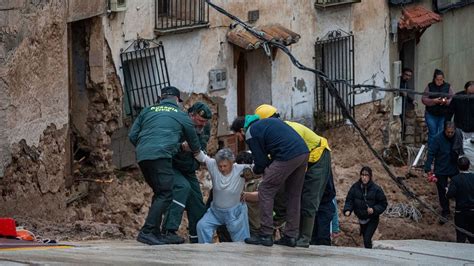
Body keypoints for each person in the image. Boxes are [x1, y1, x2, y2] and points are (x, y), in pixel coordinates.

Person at [128, 86, 201, 245]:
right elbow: (194, 141)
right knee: (166, 193)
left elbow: (132, 135)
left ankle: (155, 232)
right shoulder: (181, 115)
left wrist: (145, 147)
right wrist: (197, 154)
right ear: (177, 100)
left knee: (160, 192)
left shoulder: (147, 110)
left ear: (160, 97)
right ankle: (147, 231)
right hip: (161, 156)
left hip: (143, 156)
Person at [255, 104, 335, 248]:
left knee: (309, 197)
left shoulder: (290, 129)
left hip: (318, 157)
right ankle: (289, 231)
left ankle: (304, 238)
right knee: (286, 192)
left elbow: (295, 153)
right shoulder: (275, 133)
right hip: (302, 160)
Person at [231, 115, 309, 247]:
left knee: (265, 189)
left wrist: (252, 173)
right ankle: (291, 236)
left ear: (241, 130)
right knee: (293, 195)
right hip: (303, 152)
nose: (239, 139)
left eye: (237, 135)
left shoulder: (251, 132)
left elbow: (261, 163)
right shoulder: (265, 124)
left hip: (287, 154)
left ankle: (265, 235)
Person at [162, 102, 212, 243]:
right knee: (182, 188)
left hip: (190, 168)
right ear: (191, 115)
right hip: (173, 165)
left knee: (197, 204)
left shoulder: (205, 127)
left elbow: (203, 145)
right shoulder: (178, 123)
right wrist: (181, 147)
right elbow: (168, 146)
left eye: (205, 121)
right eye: (200, 120)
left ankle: (197, 241)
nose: (202, 124)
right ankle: (168, 230)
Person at [195, 148, 251, 243]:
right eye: (220, 166)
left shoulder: (242, 169)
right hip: (215, 212)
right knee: (202, 226)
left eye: (225, 166)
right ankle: (204, 253)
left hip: (235, 213)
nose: (222, 169)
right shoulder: (213, 165)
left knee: (241, 242)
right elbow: (201, 156)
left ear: (232, 163)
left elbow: (260, 169)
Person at [343, 166, 387, 249]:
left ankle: (370, 256)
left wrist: (374, 209)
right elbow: (350, 200)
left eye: (366, 175)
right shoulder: (355, 187)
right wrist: (348, 209)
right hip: (361, 218)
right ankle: (369, 253)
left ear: (370, 177)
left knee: (367, 238)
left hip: (372, 218)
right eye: (362, 175)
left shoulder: (376, 189)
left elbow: (383, 203)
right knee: (365, 240)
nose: (364, 177)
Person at [424, 121, 460, 223]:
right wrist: (428, 168)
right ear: (444, 130)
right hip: (441, 169)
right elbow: (431, 153)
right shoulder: (437, 139)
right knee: (442, 191)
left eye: (452, 132)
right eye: (448, 132)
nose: (450, 134)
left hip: (454, 167)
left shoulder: (458, 137)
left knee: (458, 189)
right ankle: (445, 210)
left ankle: (458, 209)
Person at [421, 69, 454, 147]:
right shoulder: (430, 86)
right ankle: (432, 150)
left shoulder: (448, 86)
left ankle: (440, 149)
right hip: (431, 114)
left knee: (441, 132)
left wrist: (446, 101)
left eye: (441, 80)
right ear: (434, 79)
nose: (439, 81)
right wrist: (433, 101)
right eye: (437, 80)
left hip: (443, 114)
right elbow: (424, 99)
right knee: (433, 133)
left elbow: (453, 98)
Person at [446, 157, 474, 243]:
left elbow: (450, 195)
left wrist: (447, 191)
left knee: (461, 236)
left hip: (460, 212)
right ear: (469, 166)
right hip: (473, 211)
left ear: (457, 167)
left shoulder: (455, 179)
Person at [448, 81, 474, 173]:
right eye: (470, 93)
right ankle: (458, 170)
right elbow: (450, 111)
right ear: (465, 89)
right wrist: (448, 124)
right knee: (459, 150)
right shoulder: (458, 97)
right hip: (460, 129)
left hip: (472, 130)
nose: (471, 95)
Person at [400, 68, 414, 140]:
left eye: (409, 76)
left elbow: (406, 95)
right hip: (398, 106)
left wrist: (412, 101)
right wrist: (401, 92)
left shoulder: (406, 83)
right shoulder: (399, 82)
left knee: (403, 125)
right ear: (402, 74)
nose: (408, 77)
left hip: (403, 107)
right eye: (406, 75)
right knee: (401, 125)